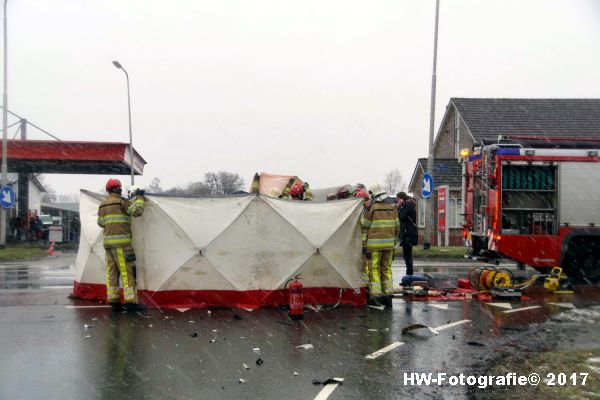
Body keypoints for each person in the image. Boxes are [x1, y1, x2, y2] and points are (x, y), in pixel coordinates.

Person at [97, 179, 146, 312]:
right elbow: (137, 212)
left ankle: (114, 302)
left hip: (108, 245)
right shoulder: (122, 202)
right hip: (122, 245)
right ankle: (130, 303)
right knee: (126, 273)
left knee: (111, 274)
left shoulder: (102, 205)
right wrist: (140, 197)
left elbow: (100, 223)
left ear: (108, 190)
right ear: (118, 189)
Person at [361, 183, 399, 307]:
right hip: (389, 245)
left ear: (373, 195)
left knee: (374, 270)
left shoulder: (373, 208)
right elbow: (397, 227)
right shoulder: (393, 208)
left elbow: (364, 225)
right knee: (386, 269)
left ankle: (376, 296)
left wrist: (365, 210)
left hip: (374, 246)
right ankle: (388, 295)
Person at [397, 192, 418, 276]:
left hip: (408, 233)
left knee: (407, 256)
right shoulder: (408, 204)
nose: (397, 201)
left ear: (402, 199)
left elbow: (402, 217)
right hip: (409, 232)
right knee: (407, 255)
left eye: (398, 199)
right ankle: (409, 275)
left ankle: (409, 276)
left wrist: (399, 208)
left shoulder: (408, 205)